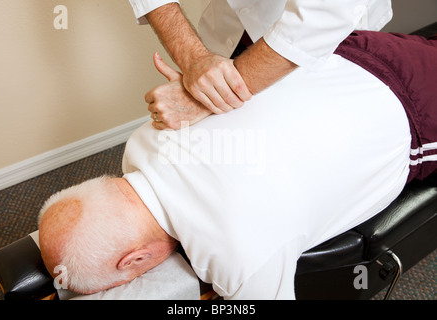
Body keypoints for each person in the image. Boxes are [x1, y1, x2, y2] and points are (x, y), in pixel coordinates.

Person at [38, 31, 437, 299]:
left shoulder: (241, 257)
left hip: (413, 103)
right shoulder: (141, 142)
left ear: (136, 261)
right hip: (337, 52)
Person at [128, 0, 395, 129]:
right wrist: (194, 59)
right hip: (228, 31)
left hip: (320, 37)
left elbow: (324, 13)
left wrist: (208, 97)